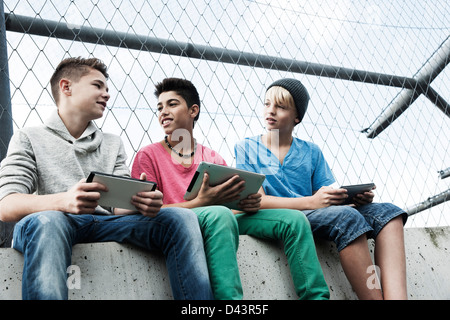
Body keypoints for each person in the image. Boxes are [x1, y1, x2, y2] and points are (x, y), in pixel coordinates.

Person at [0, 57, 213, 300]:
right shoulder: (29, 137)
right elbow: (6, 205)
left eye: (107, 88)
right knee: (49, 222)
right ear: (66, 87)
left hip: (105, 224)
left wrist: (143, 202)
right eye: (98, 86)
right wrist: (64, 201)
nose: (107, 94)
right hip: (53, 223)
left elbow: (119, 209)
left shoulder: (112, 143)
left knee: (180, 217)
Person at [131, 77, 330, 300]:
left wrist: (248, 203)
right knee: (219, 214)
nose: (163, 111)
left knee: (294, 220)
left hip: (220, 220)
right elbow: (149, 212)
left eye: (172, 104)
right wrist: (202, 202)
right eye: (159, 107)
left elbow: (233, 209)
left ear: (193, 110)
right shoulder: (147, 156)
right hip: (187, 220)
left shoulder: (212, 158)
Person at [234, 78, 408, 300]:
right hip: (284, 216)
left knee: (388, 213)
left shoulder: (311, 151)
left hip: (317, 213)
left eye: (281, 107)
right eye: (267, 104)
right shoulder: (246, 147)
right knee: (346, 218)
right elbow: (258, 201)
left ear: (297, 117)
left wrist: (354, 200)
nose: (271, 111)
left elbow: (326, 200)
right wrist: (312, 202)